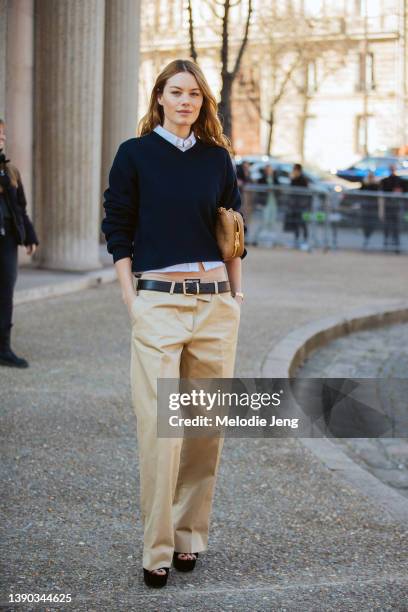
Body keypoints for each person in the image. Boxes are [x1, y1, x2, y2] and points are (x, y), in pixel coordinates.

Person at [101, 59, 247, 589]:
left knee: (206, 430)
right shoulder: (134, 154)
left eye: (195, 94)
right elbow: (117, 225)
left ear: (203, 102)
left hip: (215, 304)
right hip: (158, 302)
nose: (186, 101)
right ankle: (156, 547)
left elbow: (233, 225)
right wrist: (130, 298)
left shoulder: (217, 159)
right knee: (160, 430)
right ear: (159, 97)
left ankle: (190, 537)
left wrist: (237, 292)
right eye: (176, 92)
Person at [0, 119, 39, 368]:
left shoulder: (10, 171)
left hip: (7, 240)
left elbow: (20, 208)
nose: (2, 138)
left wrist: (30, 236)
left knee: (5, 293)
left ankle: (3, 348)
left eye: (3, 134)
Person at [379, 165, 407, 253]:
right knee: (387, 226)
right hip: (388, 206)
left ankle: (396, 246)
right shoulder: (385, 181)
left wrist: (400, 191)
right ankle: (386, 244)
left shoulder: (400, 181)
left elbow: (404, 189)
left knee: (396, 227)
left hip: (397, 207)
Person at [285, 163, 310, 249]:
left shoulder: (303, 179)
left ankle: (305, 239)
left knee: (302, 223)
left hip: (301, 205)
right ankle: (296, 239)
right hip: (295, 205)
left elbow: (305, 192)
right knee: (295, 222)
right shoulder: (294, 179)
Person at [359, 172, 379, 249]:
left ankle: (368, 237)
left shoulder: (376, 184)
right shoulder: (364, 183)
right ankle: (366, 237)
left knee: (372, 223)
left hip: (372, 208)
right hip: (365, 207)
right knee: (365, 223)